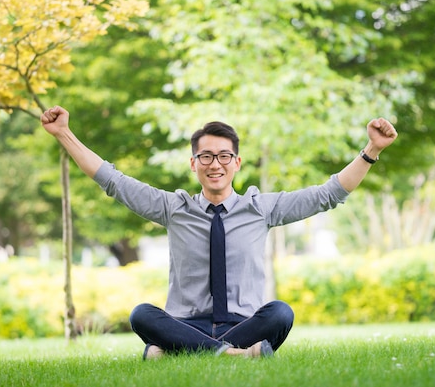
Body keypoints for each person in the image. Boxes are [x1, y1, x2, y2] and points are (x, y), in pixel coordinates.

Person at [41, 106, 398, 359]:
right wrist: (64, 133)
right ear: (193, 163)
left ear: (237, 163)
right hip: (186, 324)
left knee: (281, 313)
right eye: (206, 157)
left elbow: (328, 194)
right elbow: (112, 181)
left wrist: (372, 150)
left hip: (245, 323)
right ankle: (234, 356)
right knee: (141, 315)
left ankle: (176, 354)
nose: (216, 165)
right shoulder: (173, 208)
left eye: (224, 156)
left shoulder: (261, 208)